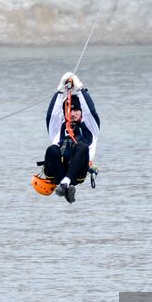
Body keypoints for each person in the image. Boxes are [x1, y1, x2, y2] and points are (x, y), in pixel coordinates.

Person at [40, 71, 101, 204]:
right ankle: (66, 185)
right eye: (70, 110)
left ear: (81, 112)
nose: (73, 114)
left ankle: (65, 184)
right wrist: (61, 90)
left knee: (81, 147)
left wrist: (79, 89)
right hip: (55, 170)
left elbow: (91, 110)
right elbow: (52, 115)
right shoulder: (58, 128)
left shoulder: (91, 128)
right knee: (52, 149)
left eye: (76, 110)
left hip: (78, 172)